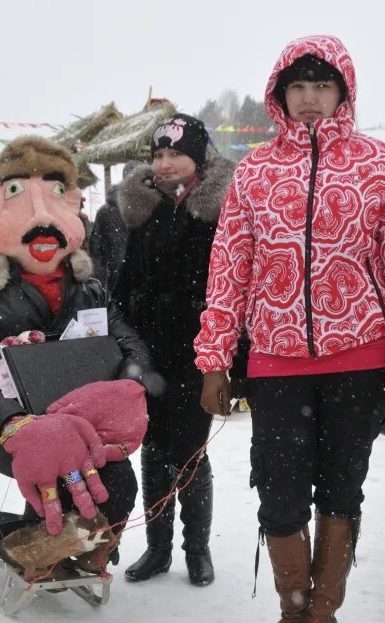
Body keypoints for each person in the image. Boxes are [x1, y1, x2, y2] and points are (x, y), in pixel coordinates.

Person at [195, 36, 385, 623]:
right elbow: (229, 269)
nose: (309, 99)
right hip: (275, 361)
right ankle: (290, 608)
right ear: (279, 96)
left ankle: (319, 622)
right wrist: (214, 354)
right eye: (297, 88)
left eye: (321, 87)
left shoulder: (378, 164)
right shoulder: (255, 170)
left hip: (359, 357)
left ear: (342, 93)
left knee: (339, 490)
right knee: (277, 491)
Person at [0, 135, 154, 571]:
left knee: (118, 483)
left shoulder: (89, 288)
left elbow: (126, 339)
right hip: (16, 430)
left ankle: (82, 548)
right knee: (57, 479)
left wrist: (130, 380)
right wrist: (14, 423)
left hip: (85, 424)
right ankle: (41, 544)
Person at [112, 114, 235, 587]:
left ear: (198, 158)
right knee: (153, 449)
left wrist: (223, 354)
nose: (164, 164)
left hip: (198, 352)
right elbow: (125, 283)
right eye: (157, 155)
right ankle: (157, 549)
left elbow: (229, 286)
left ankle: (195, 551)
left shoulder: (220, 210)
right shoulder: (141, 211)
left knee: (188, 453)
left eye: (174, 154)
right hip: (147, 353)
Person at [88, 160, 140, 295]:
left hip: (116, 275)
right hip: (134, 277)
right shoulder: (149, 208)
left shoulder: (105, 211)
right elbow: (96, 248)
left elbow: (96, 249)